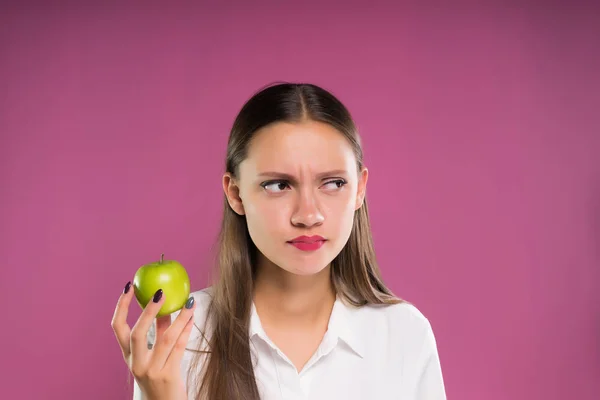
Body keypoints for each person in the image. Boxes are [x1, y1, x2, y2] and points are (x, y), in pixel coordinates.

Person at [112, 82, 447, 400]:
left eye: (332, 183)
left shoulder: (404, 336)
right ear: (235, 193)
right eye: (278, 185)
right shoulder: (181, 337)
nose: (308, 214)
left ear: (359, 188)